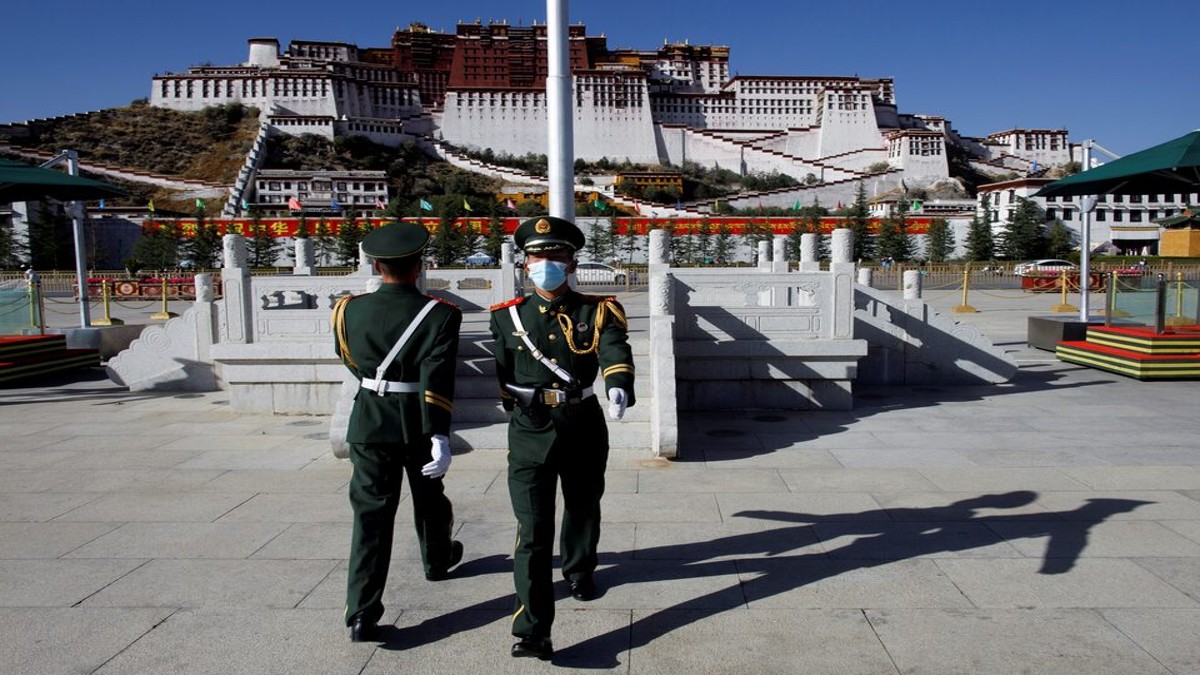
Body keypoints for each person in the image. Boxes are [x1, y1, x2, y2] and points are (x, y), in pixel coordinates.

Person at [488, 216, 636, 660]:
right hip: (531, 429)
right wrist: (518, 405)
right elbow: (503, 375)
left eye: (555, 256)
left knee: (583, 504)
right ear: (525, 262)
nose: (546, 263)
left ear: (572, 262)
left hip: (583, 421)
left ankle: (579, 567)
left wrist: (618, 383)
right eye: (538, 256)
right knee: (532, 530)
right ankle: (532, 629)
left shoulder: (598, 308)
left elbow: (615, 347)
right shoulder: (505, 317)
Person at [332, 222, 464, 643]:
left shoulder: (346, 309)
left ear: (375, 264)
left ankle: (361, 612)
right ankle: (437, 560)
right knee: (430, 497)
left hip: (370, 419)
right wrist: (440, 434)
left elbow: (350, 361)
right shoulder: (441, 313)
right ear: (419, 265)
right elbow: (437, 377)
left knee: (370, 518)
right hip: (418, 420)